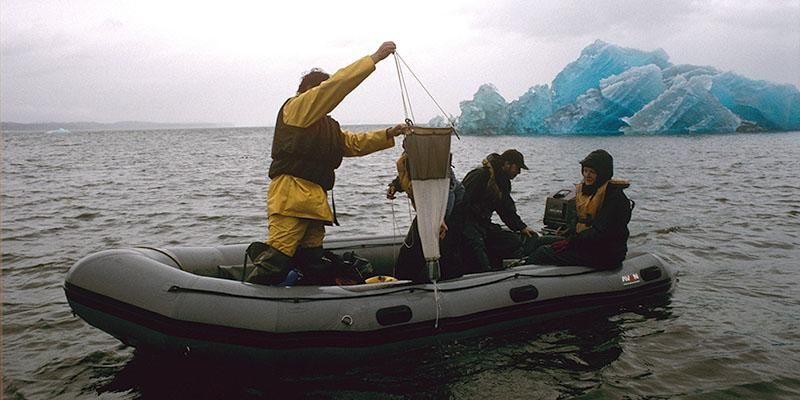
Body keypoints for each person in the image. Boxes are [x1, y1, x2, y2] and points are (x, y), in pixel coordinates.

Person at [246, 41, 406, 285]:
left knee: (313, 261)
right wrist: (373, 58)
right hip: (291, 197)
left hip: (315, 202)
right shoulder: (295, 108)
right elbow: (336, 86)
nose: (324, 98)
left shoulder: (328, 126)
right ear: (308, 92)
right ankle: (249, 305)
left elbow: (352, 144)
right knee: (276, 259)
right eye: (320, 92)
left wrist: (388, 134)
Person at [529, 149, 633, 269]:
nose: (587, 175)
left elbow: (601, 232)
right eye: (585, 171)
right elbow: (584, 222)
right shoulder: (590, 190)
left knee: (542, 252)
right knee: (540, 241)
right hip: (588, 245)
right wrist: (570, 231)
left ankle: (522, 276)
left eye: (592, 172)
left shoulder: (615, 198)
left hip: (604, 253)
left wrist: (571, 242)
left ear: (602, 173)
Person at [449, 149, 537, 274]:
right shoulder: (479, 176)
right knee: (477, 251)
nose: (518, 172)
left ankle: (498, 265)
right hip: (466, 225)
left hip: (482, 225)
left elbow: (506, 209)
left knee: (513, 241)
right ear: (507, 164)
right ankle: (483, 271)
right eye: (517, 168)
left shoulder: (502, 182)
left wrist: (522, 227)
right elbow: (461, 206)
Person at [386, 152, 464, 282]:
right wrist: (394, 186)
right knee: (411, 250)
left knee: (441, 249)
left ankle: (444, 280)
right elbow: (407, 176)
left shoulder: (444, 176)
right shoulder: (416, 161)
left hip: (446, 215)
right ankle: (406, 279)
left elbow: (448, 195)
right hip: (429, 212)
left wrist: (440, 218)